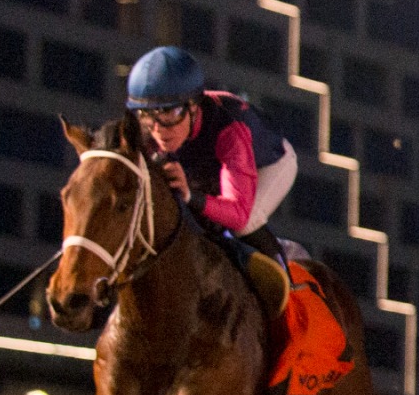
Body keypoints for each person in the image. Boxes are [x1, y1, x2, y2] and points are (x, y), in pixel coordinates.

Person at [126, 45, 296, 310]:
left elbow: (237, 213)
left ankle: (286, 287)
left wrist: (190, 196)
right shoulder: (151, 132)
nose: (159, 131)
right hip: (209, 168)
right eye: (148, 116)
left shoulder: (229, 131)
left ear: (194, 107)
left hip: (270, 163)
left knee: (245, 224)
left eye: (170, 113)